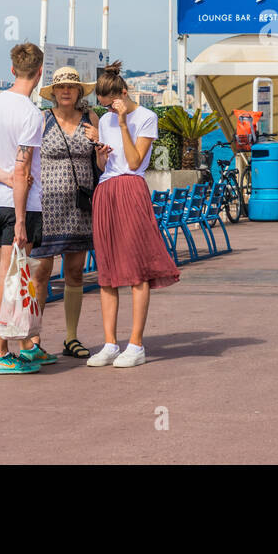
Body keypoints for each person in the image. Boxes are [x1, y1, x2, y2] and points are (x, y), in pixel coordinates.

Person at [85, 60, 178, 369]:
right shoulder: (105, 119)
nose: (109, 111)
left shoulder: (146, 117)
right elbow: (106, 167)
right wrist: (100, 156)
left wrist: (124, 123)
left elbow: (136, 162)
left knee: (137, 268)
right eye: (104, 107)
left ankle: (136, 344)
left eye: (111, 105)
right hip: (106, 190)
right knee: (107, 271)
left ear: (123, 93)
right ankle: (110, 343)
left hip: (131, 189)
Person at [0, 42, 46, 376]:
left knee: (11, 273)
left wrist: (2, 179)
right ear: (40, 72)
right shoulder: (31, 114)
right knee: (8, 273)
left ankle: (23, 345)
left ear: (12, 69)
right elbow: (23, 169)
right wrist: (19, 220)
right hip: (21, 206)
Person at [28, 67, 100, 360]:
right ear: (53, 93)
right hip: (46, 206)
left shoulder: (91, 118)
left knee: (74, 272)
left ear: (79, 91)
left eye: (72, 87)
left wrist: (98, 143)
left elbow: (102, 160)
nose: (66, 91)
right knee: (41, 272)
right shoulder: (42, 120)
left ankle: (71, 337)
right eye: (61, 88)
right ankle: (33, 338)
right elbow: (27, 156)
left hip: (80, 206)